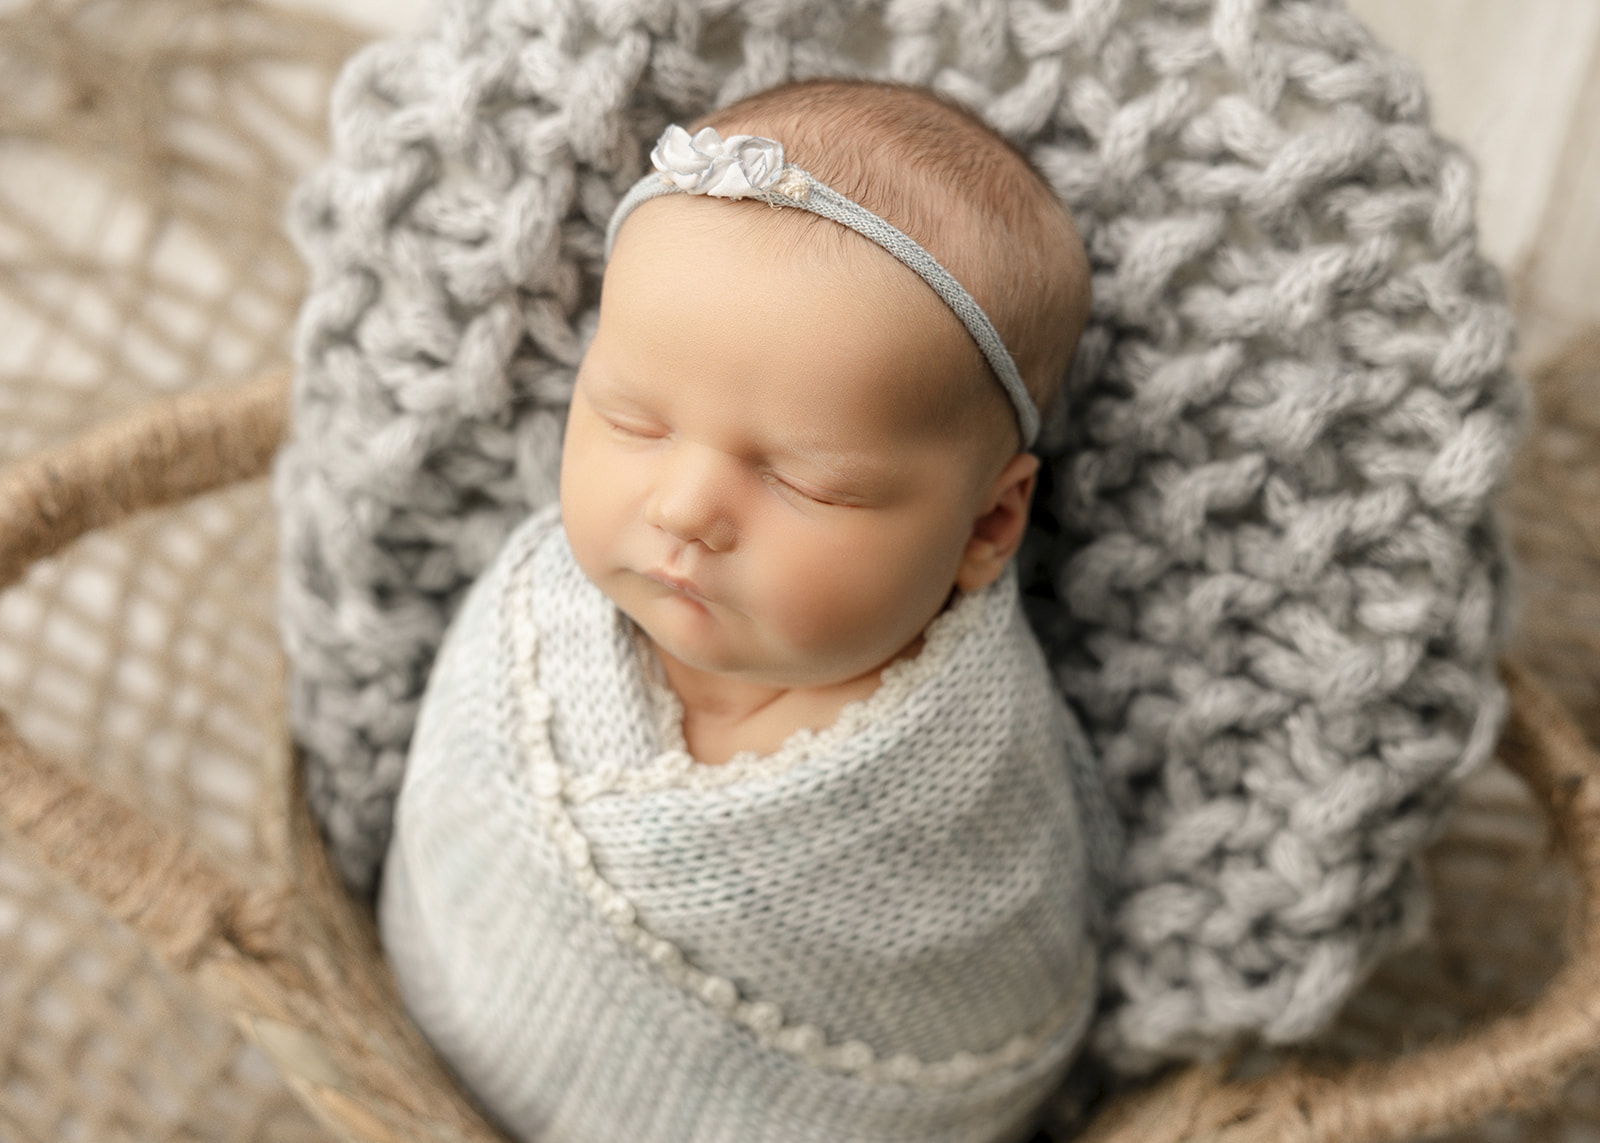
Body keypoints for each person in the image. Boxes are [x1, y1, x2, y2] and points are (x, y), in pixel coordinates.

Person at [378, 78, 1110, 1143]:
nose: (681, 509)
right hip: (422, 1054)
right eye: (630, 420)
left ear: (987, 528)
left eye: (808, 485)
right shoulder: (540, 626)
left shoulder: (956, 782)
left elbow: (998, 959)